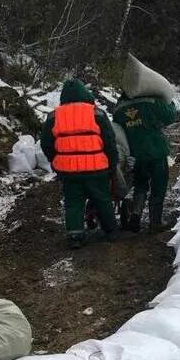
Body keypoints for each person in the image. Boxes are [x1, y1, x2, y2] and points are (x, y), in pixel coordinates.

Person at [41, 78, 119, 248]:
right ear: (85, 93)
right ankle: (111, 231)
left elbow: (46, 143)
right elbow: (109, 141)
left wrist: (55, 161)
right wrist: (112, 164)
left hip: (68, 170)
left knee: (73, 202)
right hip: (97, 167)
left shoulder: (54, 115)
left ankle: (75, 236)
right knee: (102, 199)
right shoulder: (97, 113)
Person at [113, 91, 176, 234]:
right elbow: (170, 116)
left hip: (135, 154)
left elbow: (117, 131)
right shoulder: (152, 101)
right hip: (156, 151)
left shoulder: (119, 109)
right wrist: (170, 103)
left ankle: (136, 215)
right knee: (158, 186)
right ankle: (155, 222)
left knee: (140, 184)